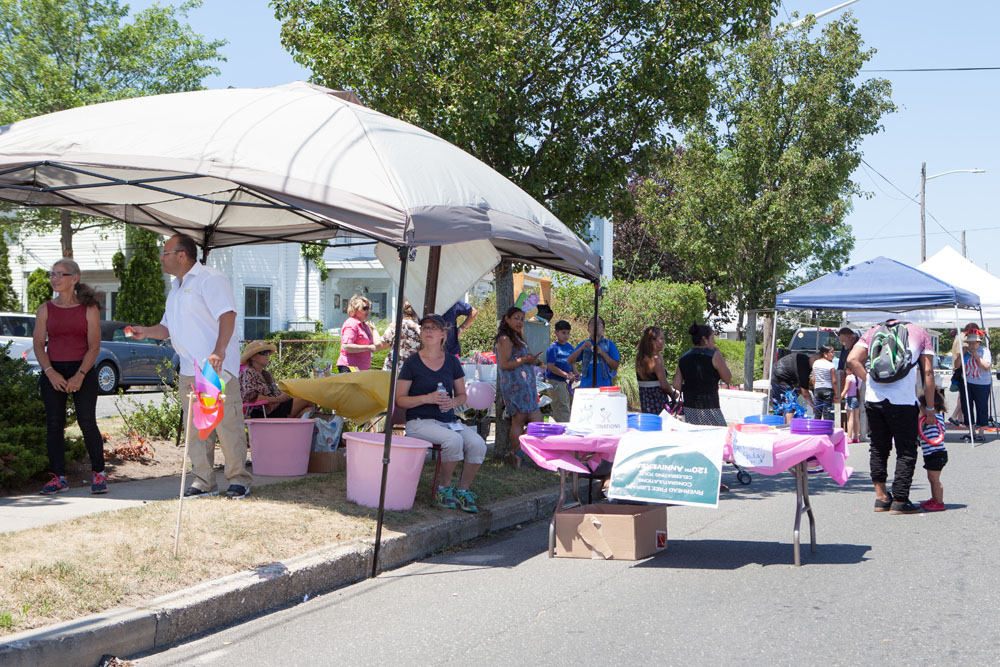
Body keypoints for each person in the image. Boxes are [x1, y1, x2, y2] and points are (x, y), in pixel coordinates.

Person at [131, 234, 252, 499]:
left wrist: (219, 351)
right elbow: (166, 328)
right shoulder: (175, 288)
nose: (161, 258)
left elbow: (227, 315)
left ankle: (238, 480)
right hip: (188, 368)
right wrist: (146, 331)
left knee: (226, 425)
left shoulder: (210, 279)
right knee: (197, 429)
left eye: (165, 253)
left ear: (182, 255)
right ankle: (203, 481)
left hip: (213, 367)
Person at [396, 313, 486, 512]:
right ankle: (443, 489)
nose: (429, 331)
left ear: (443, 334)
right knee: (453, 441)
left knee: (478, 444)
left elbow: (462, 395)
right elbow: (400, 400)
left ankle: (463, 490)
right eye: (425, 328)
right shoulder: (412, 363)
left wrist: (452, 402)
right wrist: (427, 398)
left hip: (447, 420)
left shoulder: (452, 362)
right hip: (419, 421)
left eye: (434, 328)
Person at [847, 319, 936, 515]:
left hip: (874, 399)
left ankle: (881, 498)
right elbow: (928, 372)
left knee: (878, 447)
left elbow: (852, 359)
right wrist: (930, 408)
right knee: (906, 450)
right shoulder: (920, 332)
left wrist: (870, 381)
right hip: (903, 400)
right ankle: (900, 500)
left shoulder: (873, 331)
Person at [32, 259, 106, 495]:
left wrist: (80, 375)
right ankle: (58, 478)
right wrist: (50, 373)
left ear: (74, 278)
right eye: (52, 274)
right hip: (53, 371)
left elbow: (94, 346)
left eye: (59, 275)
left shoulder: (89, 309)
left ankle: (99, 473)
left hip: (82, 370)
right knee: (54, 425)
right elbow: (38, 345)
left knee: (87, 422)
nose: (54, 279)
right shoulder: (45, 309)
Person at [495, 306, 542, 466]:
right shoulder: (504, 339)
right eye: (516, 318)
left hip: (527, 385)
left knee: (536, 421)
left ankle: (521, 453)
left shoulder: (517, 337)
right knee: (519, 420)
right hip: (515, 385)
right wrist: (525, 360)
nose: (519, 322)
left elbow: (519, 358)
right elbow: (504, 364)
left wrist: (531, 360)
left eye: (522, 319)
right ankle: (517, 456)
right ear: (506, 319)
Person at [673, 323, 731, 427]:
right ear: (705, 339)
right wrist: (720, 357)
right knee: (719, 434)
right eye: (712, 338)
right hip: (710, 407)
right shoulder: (714, 356)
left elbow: (676, 385)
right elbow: (727, 378)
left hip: (689, 407)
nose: (714, 342)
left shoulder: (684, 357)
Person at [239, 340, 314, 418]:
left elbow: (276, 393)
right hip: (263, 412)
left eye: (268, 352)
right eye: (263, 352)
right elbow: (251, 398)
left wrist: (287, 395)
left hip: (276, 408)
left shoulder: (266, 374)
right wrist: (278, 399)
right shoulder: (248, 373)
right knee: (306, 398)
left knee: (309, 410)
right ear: (252, 357)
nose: (267, 355)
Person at [336, 294, 386, 372]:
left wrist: (374, 329)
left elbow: (376, 345)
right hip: (350, 367)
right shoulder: (351, 324)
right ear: (355, 310)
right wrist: (368, 347)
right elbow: (347, 346)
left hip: (362, 368)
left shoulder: (364, 325)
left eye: (369, 308)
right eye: (365, 308)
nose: (368, 311)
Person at [917, 389, 948, 512]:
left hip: (936, 454)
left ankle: (939, 502)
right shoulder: (937, 418)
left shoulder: (933, 419)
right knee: (931, 478)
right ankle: (934, 499)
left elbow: (931, 435)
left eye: (922, 408)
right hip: (933, 454)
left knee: (935, 480)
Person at [635, 326, 678, 415]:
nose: (664, 341)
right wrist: (673, 394)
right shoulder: (656, 358)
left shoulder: (640, 357)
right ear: (653, 341)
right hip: (657, 400)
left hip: (645, 400)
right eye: (661, 338)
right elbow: (664, 385)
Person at [567, 316, 619, 388]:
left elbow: (615, 366)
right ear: (588, 329)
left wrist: (602, 353)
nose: (595, 326)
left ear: (603, 329)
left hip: (604, 387)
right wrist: (581, 348)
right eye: (592, 324)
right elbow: (569, 361)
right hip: (586, 387)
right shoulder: (583, 344)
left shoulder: (610, 344)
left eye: (598, 324)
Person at [959, 330, 992, 442]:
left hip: (982, 382)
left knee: (981, 406)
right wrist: (962, 354)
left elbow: (986, 367)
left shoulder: (984, 351)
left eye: (974, 343)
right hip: (967, 381)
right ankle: (971, 431)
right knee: (966, 406)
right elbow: (957, 365)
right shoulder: (966, 351)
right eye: (970, 343)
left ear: (979, 343)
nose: (971, 345)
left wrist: (976, 355)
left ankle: (981, 432)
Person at [771, 350, 822, 420]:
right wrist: (814, 407)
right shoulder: (804, 369)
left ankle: (779, 422)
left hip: (775, 376)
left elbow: (799, 385)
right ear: (815, 361)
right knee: (790, 406)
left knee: (780, 407)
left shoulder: (804, 358)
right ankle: (788, 425)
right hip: (781, 379)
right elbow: (805, 393)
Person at [544, 320, 576, 422]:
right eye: (563, 333)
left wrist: (576, 373)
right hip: (554, 381)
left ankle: (566, 425)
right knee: (561, 406)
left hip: (565, 381)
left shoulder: (569, 347)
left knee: (567, 404)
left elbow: (571, 363)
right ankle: (564, 427)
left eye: (568, 333)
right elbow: (551, 367)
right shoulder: (553, 348)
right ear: (556, 333)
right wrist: (567, 375)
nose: (566, 336)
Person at [381, 300, 422, 374]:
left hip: (392, 368)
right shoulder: (420, 329)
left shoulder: (394, 326)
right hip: (411, 369)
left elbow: (382, 345)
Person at [811, 345, 839, 420]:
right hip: (827, 389)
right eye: (831, 352)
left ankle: (816, 426)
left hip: (817, 389)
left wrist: (815, 387)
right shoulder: (830, 365)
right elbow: (834, 381)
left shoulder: (815, 363)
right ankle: (827, 427)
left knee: (817, 412)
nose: (833, 354)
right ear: (825, 354)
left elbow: (813, 379)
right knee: (827, 412)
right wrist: (836, 394)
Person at [840, 367, 861, 444]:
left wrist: (840, 397)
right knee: (856, 418)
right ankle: (856, 437)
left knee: (850, 419)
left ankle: (849, 437)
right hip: (857, 398)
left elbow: (846, 389)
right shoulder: (859, 378)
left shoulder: (849, 377)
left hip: (850, 398)